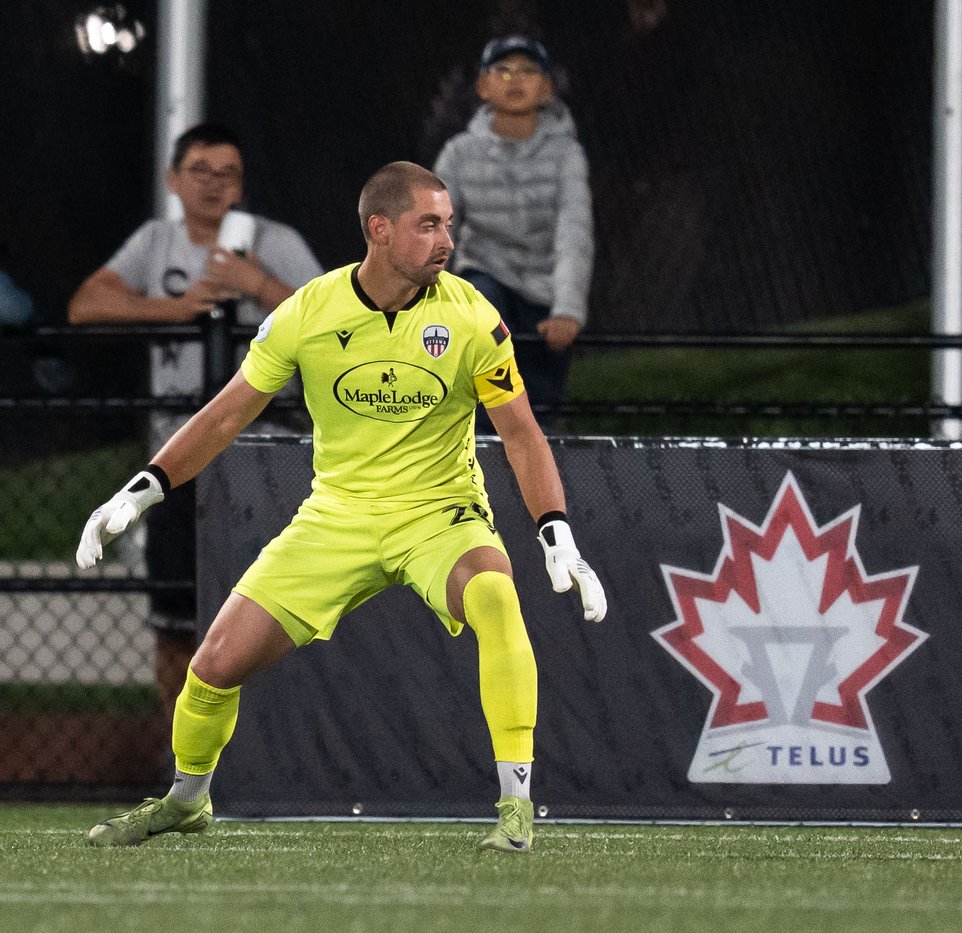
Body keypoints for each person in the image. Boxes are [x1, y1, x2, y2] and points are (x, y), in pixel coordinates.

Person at [76, 161, 606, 854]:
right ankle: (187, 800)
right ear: (379, 230)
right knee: (212, 666)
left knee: (496, 599)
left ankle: (516, 807)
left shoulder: (472, 315)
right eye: (429, 224)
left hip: (439, 513)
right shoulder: (310, 311)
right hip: (338, 518)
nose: (446, 239)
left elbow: (521, 433)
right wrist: (139, 488)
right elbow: (223, 416)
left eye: (449, 223)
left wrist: (555, 531)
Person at [68, 123, 323, 725]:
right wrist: (175, 310)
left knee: (274, 617)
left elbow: (339, 323)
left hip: (269, 453)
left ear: (241, 186)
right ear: (173, 179)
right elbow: (87, 305)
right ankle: (179, 762)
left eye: (227, 173)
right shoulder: (156, 242)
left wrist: (256, 283)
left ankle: (272, 760)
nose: (213, 184)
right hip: (179, 454)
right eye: (200, 171)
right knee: (177, 618)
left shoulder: (273, 240)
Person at [432, 35, 593, 426]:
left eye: (528, 70)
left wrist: (567, 311)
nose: (514, 79)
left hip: (545, 293)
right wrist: (420, 299)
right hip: (485, 277)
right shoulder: (459, 152)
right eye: (502, 71)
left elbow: (574, 232)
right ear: (483, 87)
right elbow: (434, 227)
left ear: (546, 87)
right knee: (483, 317)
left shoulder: (566, 153)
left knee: (541, 417)